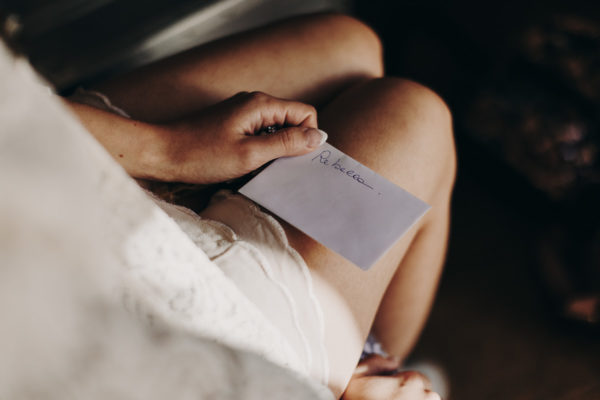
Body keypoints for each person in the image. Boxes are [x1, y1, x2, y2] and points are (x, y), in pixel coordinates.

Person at [65, 13, 455, 400]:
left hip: (78, 214)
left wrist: (169, 150)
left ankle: (368, 361)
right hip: (254, 332)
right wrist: (170, 151)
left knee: (366, 64)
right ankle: (373, 360)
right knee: (400, 98)